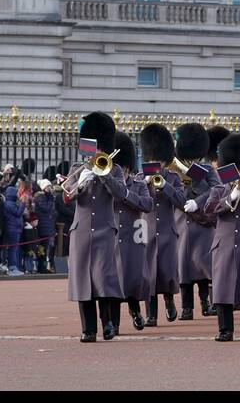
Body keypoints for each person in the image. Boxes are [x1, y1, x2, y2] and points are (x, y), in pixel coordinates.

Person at [193, 133, 240, 342]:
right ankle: (225, 329)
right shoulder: (219, 189)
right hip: (224, 244)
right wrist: (231, 198)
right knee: (223, 287)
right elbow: (209, 210)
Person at [63, 112, 129, 342]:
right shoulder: (77, 168)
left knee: (103, 277)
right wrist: (83, 182)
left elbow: (122, 195)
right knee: (83, 280)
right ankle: (88, 329)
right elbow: (66, 195)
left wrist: (104, 176)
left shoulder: (115, 169)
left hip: (104, 229)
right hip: (81, 230)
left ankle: (108, 323)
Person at [139, 123, 186, 326]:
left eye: (159, 159)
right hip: (146, 231)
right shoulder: (140, 178)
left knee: (166, 272)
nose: (156, 162)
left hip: (167, 230)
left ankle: (169, 301)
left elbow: (181, 202)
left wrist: (165, 186)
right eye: (152, 159)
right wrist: (145, 184)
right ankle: (151, 314)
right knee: (148, 273)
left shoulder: (173, 178)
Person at [174, 123, 218, 320]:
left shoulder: (207, 169)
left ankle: (206, 303)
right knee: (184, 269)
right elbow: (172, 193)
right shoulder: (174, 169)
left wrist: (198, 199)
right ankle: (186, 307)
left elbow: (217, 190)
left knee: (203, 267)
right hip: (182, 224)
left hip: (201, 224)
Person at [112, 132, 153, 334]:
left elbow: (147, 204)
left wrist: (126, 194)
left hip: (134, 234)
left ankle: (135, 310)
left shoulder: (139, 185)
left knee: (134, 277)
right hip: (112, 235)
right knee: (113, 279)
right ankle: (114, 323)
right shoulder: (107, 184)